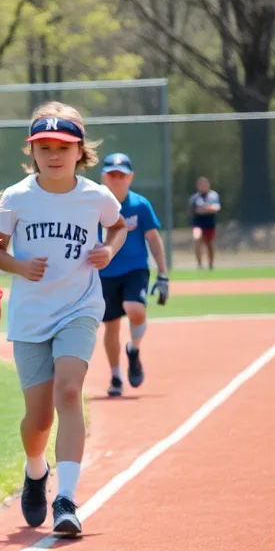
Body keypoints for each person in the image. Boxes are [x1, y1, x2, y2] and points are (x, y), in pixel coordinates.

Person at [0, 103, 127, 538]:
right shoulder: (16, 197)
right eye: (43, 147)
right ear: (32, 152)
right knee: (40, 418)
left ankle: (65, 500)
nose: (53, 154)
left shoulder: (95, 195)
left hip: (79, 307)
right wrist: (18, 267)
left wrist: (109, 250)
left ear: (80, 151)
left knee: (70, 392)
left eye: (62, 147)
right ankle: (35, 470)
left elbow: (119, 227)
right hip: (31, 316)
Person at [98, 153, 170, 397]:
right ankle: (116, 375)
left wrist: (163, 274)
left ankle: (134, 349)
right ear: (103, 177)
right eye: (112, 174)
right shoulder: (94, 203)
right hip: (104, 271)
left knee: (135, 308)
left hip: (135, 268)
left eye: (122, 175)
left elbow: (154, 240)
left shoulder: (140, 205)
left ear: (131, 177)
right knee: (111, 326)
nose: (116, 179)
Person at [189, 176, 221, 269]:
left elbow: (215, 208)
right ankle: (199, 264)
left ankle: (211, 264)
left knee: (209, 244)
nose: (202, 186)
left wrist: (204, 209)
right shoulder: (195, 198)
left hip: (209, 222)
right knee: (197, 239)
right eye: (200, 184)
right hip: (198, 223)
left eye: (204, 184)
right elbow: (193, 209)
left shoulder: (213, 195)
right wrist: (205, 208)